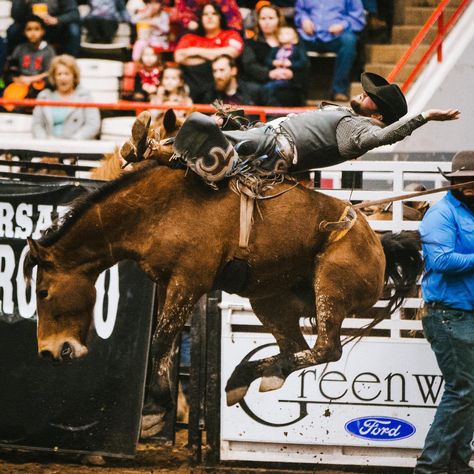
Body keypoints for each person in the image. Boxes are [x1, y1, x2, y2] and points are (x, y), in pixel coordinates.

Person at [119, 72, 460, 184]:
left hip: (275, 149)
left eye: (370, 97)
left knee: (204, 127)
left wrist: (424, 117)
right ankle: (151, 149)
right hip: (269, 139)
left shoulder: (360, 132)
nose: (362, 93)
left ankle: (152, 151)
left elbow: (387, 137)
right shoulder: (346, 117)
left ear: (379, 116)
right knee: (212, 127)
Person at [414, 151, 474, 474]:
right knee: (463, 390)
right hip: (448, 316)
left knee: (468, 391)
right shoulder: (441, 214)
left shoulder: (462, 213)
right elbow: (441, 261)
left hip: (464, 315)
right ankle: (431, 466)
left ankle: (456, 463)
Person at [294, 0, 366, 101]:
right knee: (291, 39)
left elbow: (358, 17)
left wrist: (343, 25)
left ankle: (339, 90)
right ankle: (297, 92)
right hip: (310, 36)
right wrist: (303, 20)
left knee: (349, 41)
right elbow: (299, 11)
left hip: (337, 36)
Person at [173, 2, 244, 102]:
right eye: (205, 14)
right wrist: (216, 54)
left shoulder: (231, 34)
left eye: (214, 14)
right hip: (196, 88)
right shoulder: (189, 37)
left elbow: (233, 52)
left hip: (226, 90)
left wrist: (194, 51)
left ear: (220, 17)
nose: (209, 17)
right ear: (200, 18)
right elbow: (179, 57)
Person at [240, 3, 305, 107]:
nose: (267, 22)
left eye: (271, 18)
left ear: (279, 19)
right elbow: (249, 66)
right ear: (258, 21)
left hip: (288, 85)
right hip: (260, 86)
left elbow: (304, 64)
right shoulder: (251, 43)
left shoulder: (291, 40)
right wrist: (270, 74)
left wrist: (291, 74)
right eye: (263, 18)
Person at [32, 54, 101, 140]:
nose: (62, 78)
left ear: (74, 76)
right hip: (48, 148)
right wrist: (45, 142)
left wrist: (72, 143)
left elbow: (93, 125)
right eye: (59, 74)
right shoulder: (44, 96)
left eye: (67, 74)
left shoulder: (85, 96)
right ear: (54, 77)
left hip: (76, 149)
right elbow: (36, 125)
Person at [4, 15, 55, 98]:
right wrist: (17, 79)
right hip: (20, 85)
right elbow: (11, 70)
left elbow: (49, 73)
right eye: (29, 29)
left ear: (43, 31)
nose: (33, 33)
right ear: (24, 32)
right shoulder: (19, 48)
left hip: (39, 87)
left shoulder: (49, 51)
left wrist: (31, 79)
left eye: (36, 29)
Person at [7, 0, 81, 57]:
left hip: (55, 28)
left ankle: (71, 62)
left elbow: (74, 13)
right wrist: (23, 2)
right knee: (13, 30)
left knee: (73, 29)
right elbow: (15, 14)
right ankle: (13, 63)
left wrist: (57, 20)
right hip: (30, 27)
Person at [263, 25, 308, 105]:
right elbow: (267, 60)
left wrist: (291, 64)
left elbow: (304, 62)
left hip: (291, 80)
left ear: (295, 38)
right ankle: (271, 106)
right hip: (276, 76)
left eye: (287, 33)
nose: (283, 35)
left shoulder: (298, 50)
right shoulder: (276, 49)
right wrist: (274, 62)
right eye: (281, 33)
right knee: (267, 88)